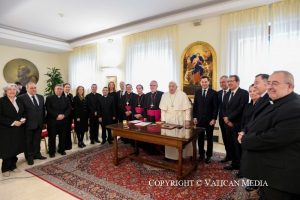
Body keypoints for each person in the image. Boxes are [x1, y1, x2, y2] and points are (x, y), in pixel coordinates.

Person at [240, 71, 300, 199]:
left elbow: (273, 138)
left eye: (275, 83)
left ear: (289, 86)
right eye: (269, 83)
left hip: (280, 178)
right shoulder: (279, 101)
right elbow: (259, 122)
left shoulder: (295, 108)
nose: (270, 87)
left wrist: (245, 139)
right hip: (269, 171)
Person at [159, 81, 192, 160]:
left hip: (179, 119)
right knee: (169, 138)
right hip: (168, 120)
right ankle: (169, 156)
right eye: (169, 86)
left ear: (176, 87)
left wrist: (187, 120)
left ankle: (181, 156)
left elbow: (187, 109)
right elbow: (163, 110)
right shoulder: (164, 95)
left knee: (180, 138)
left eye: (173, 86)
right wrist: (163, 121)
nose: (171, 88)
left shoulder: (182, 94)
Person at [222, 75, 249, 171]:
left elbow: (241, 108)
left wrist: (229, 119)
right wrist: (225, 118)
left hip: (237, 124)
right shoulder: (226, 94)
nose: (229, 83)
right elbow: (223, 108)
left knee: (238, 146)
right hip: (227, 124)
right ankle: (234, 163)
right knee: (231, 145)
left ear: (238, 82)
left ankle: (241, 167)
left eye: (231, 81)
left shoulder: (244, 93)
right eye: (228, 81)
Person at [0, 84, 26, 177]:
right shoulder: (1, 101)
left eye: (14, 89)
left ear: (17, 91)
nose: (12, 91)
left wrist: (23, 119)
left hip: (18, 129)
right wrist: (13, 122)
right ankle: (5, 168)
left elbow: (23, 112)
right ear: (6, 91)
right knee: (7, 149)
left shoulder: (19, 100)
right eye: (9, 89)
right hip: (6, 129)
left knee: (16, 148)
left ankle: (13, 166)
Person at [19, 82, 46, 165]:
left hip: (39, 123)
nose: (34, 89)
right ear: (27, 89)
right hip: (28, 124)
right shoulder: (21, 98)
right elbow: (21, 112)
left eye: (35, 87)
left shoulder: (40, 97)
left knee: (37, 140)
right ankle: (29, 157)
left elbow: (42, 111)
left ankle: (37, 154)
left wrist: (43, 122)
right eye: (31, 88)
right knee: (28, 142)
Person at [193, 76, 218, 164]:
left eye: (205, 82)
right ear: (200, 83)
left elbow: (215, 107)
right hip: (199, 120)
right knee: (200, 138)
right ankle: (201, 154)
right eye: (202, 82)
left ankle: (209, 155)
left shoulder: (213, 93)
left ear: (208, 82)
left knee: (210, 138)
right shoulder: (197, 92)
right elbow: (195, 106)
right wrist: (194, 117)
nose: (204, 83)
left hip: (209, 120)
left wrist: (214, 118)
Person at [45, 84, 71, 157]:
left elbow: (69, 108)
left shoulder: (66, 98)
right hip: (52, 121)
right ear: (54, 90)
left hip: (63, 121)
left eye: (60, 89)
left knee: (62, 136)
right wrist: (56, 115)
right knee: (52, 137)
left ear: (62, 90)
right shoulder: (49, 98)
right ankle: (51, 152)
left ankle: (61, 150)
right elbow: (48, 108)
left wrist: (64, 115)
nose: (59, 90)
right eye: (58, 89)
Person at [217, 75, 230, 163]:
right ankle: (228, 155)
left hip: (232, 120)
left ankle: (235, 156)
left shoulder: (232, 92)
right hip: (221, 119)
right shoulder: (218, 93)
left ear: (228, 82)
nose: (222, 84)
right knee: (225, 138)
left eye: (224, 82)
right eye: (221, 82)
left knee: (232, 139)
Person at [62, 83, 74, 150]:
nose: (68, 88)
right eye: (66, 87)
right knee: (63, 132)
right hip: (63, 117)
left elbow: (72, 105)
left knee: (68, 131)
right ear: (63, 88)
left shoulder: (70, 95)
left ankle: (68, 145)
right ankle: (63, 146)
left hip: (69, 117)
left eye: (69, 87)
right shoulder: (61, 95)